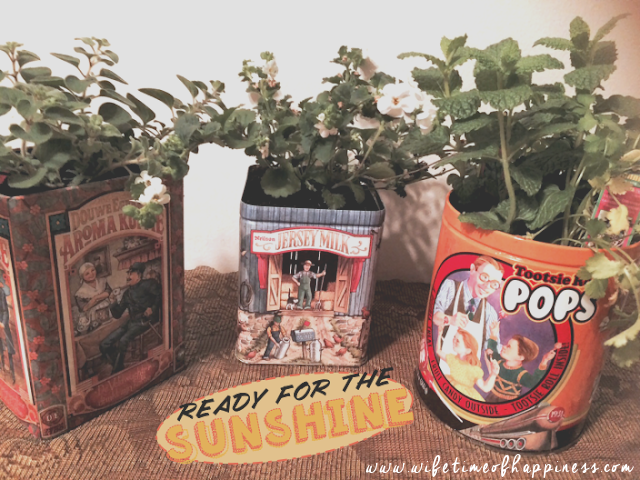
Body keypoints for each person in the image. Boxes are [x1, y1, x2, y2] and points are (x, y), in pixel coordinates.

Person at [433, 255, 504, 374]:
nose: (487, 286)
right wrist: (450, 320)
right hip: (438, 364)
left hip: (465, 374)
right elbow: (435, 317)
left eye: (494, 284)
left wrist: (494, 362)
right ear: (472, 270)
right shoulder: (450, 287)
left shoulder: (490, 312)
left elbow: (489, 348)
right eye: (484, 277)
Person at [99, 262, 162, 373]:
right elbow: (117, 314)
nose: (128, 277)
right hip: (132, 322)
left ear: (138, 275)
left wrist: (152, 308)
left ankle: (117, 370)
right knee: (104, 344)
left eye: (131, 274)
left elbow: (160, 295)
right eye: (128, 274)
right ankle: (117, 361)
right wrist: (113, 301)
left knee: (123, 340)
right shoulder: (127, 294)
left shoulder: (149, 284)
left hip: (146, 321)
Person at [484, 321, 561, 402]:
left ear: (520, 357)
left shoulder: (520, 374)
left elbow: (534, 382)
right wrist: (493, 333)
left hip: (508, 404)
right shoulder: (499, 362)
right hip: (490, 399)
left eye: (509, 346)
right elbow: (491, 351)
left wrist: (544, 361)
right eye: (506, 345)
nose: (503, 347)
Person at [436, 328, 500, 401]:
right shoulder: (453, 359)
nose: (453, 341)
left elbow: (485, 387)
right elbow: (438, 351)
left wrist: (493, 374)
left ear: (468, 350)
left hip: (464, 396)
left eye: (458, 341)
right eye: (454, 337)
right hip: (449, 386)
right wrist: (439, 335)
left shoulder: (473, 369)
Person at [0, 276, 15, 384]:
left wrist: (2, 323)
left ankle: (12, 375)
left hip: (2, 324)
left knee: (9, 350)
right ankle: (2, 370)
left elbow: (5, 310)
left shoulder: (0, 292)